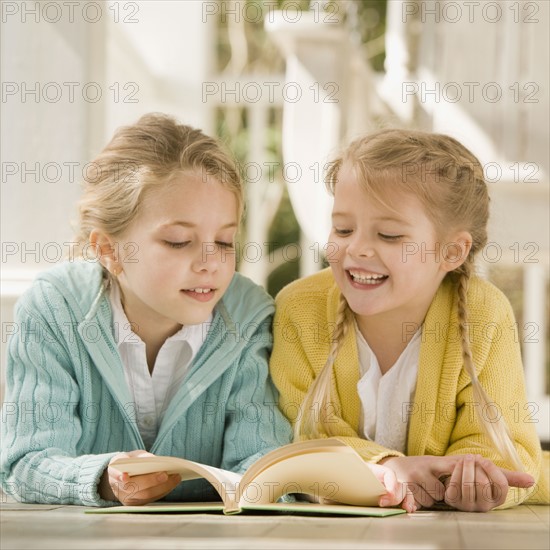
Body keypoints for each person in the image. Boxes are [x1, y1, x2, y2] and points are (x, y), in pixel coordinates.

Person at [0, 113, 298, 507]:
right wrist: (102, 480)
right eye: (178, 241)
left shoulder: (248, 316)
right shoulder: (56, 309)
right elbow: (24, 462)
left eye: (225, 241)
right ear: (109, 250)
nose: (211, 261)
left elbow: (261, 457)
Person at [270, 129, 549, 512]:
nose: (357, 248)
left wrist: (472, 477)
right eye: (343, 228)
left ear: (451, 251)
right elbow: (297, 439)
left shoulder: (484, 315)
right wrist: (385, 467)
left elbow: (504, 444)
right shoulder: (300, 309)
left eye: (389, 234)